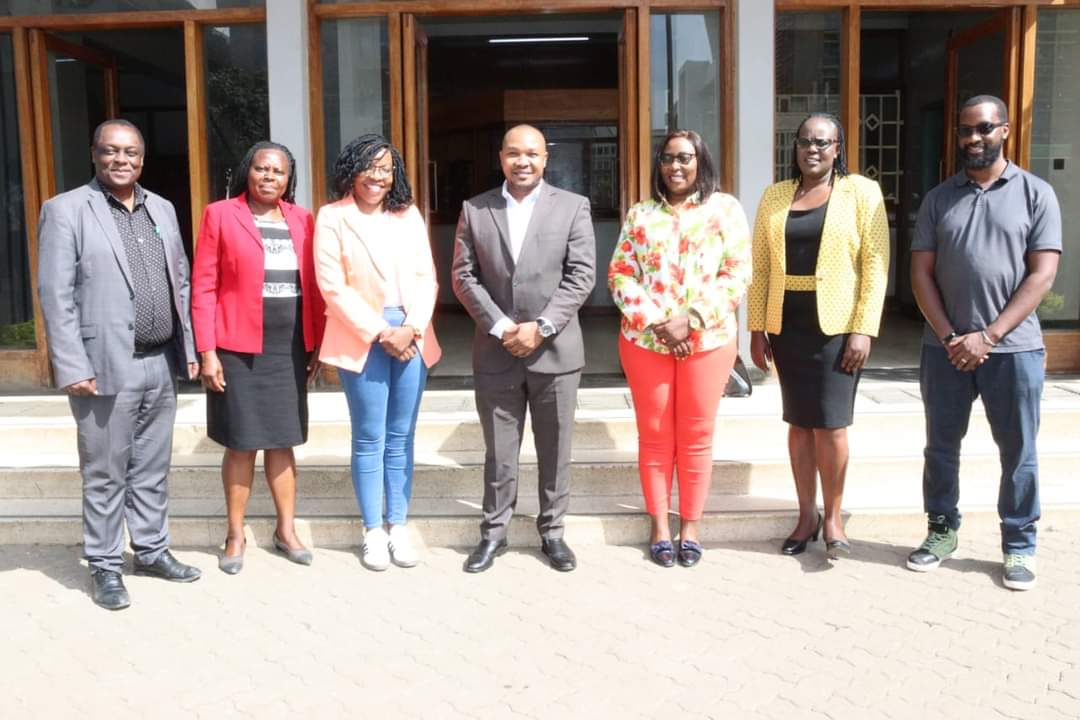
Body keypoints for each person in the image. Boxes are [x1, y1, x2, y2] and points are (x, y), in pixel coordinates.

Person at [37, 119, 202, 611]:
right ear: (94, 154)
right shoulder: (66, 210)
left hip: (159, 363)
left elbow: (181, 281)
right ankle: (106, 565)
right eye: (110, 151)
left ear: (143, 157)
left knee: (152, 468)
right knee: (106, 472)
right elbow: (54, 293)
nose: (121, 160)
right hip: (104, 366)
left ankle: (151, 550)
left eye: (130, 151)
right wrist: (73, 365)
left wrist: (188, 349)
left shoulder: (163, 208)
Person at [906, 95, 1061, 591]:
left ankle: (1019, 544)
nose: (973, 138)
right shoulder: (938, 199)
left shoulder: (1036, 194)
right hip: (944, 350)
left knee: (1018, 450)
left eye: (984, 129)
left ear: (1005, 131)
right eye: (965, 130)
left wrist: (989, 336)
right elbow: (920, 275)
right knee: (941, 448)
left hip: (1013, 351)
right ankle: (941, 531)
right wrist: (953, 336)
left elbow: (1042, 276)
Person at [452, 124, 596, 574]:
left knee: (556, 449)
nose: (523, 162)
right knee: (499, 451)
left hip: (556, 353)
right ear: (500, 158)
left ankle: (552, 532)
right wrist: (501, 326)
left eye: (531, 154)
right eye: (514, 153)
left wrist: (543, 327)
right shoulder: (475, 210)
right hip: (496, 352)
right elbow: (463, 276)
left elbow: (582, 275)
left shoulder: (572, 208)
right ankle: (493, 534)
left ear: (545, 158)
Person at [748, 113, 889, 559]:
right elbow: (761, 268)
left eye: (823, 142)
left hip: (838, 328)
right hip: (788, 324)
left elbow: (875, 265)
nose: (813, 149)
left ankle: (833, 517)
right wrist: (756, 328)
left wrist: (863, 329)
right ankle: (805, 515)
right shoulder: (774, 197)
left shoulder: (862, 194)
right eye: (805, 141)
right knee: (799, 424)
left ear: (838, 148)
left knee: (831, 425)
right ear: (795, 147)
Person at [608, 130, 751, 567]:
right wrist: (659, 322)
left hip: (707, 343)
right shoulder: (640, 214)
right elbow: (620, 274)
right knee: (654, 436)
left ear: (700, 161)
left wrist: (690, 321)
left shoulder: (725, 210)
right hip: (645, 342)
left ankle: (690, 526)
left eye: (685, 158)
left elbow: (737, 271)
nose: (675, 166)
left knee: (695, 435)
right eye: (668, 158)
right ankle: (659, 526)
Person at [191, 141, 325, 574]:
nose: (270, 177)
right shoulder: (220, 214)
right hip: (238, 348)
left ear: (289, 180)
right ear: (248, 171)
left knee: (283, 440)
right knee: (242, 443)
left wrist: (319, 343)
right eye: (262, 169)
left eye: (279, 172)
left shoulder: (303, 219)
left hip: (289, 348)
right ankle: (234, 533)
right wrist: (207, 351)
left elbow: (317, 285)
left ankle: (286, 530)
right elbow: (204, 286)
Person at [314, 134, 441, 571]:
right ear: (352, 169)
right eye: (369, 166)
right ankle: (372, 531)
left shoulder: (407, 216)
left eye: (385, 168)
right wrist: (381, 331)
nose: (377, 175)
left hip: (411, 335)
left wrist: (411, 328)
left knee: (401, 437)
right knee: (370, 436)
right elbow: (331, 286)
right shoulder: (332, 218)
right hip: (362, 336)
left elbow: (427, 277)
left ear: (395, 174)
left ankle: (399, 526)